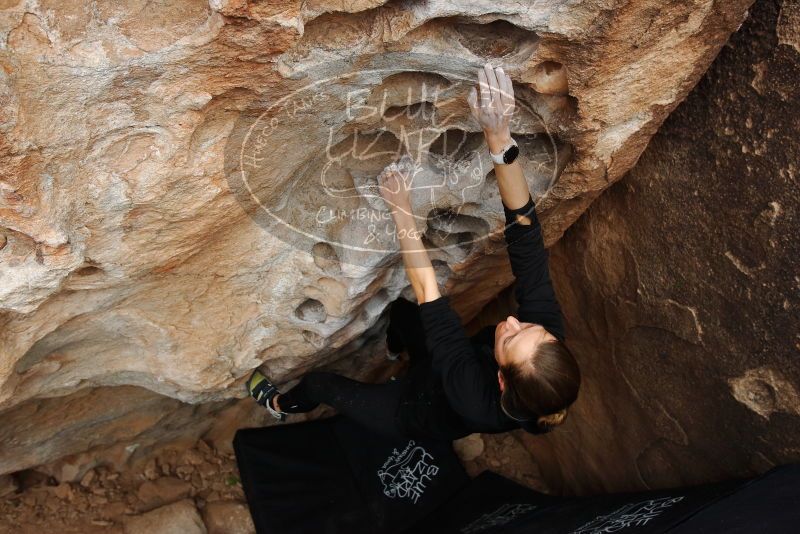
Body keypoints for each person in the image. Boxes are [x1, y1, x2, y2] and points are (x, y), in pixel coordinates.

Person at [246, 63, 580, 441]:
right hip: (443, 364)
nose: (514, 321)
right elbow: (526, 240)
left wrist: (401, 208)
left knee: (323, 386)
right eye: (532, 327)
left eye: (510, 338)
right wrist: (499, 137)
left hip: (414, 410)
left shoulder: (474, 396)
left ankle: (279, 406)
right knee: (404, 313)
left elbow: (430, 296)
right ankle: (397, 350)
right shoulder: (540, 359)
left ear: (501, 380)